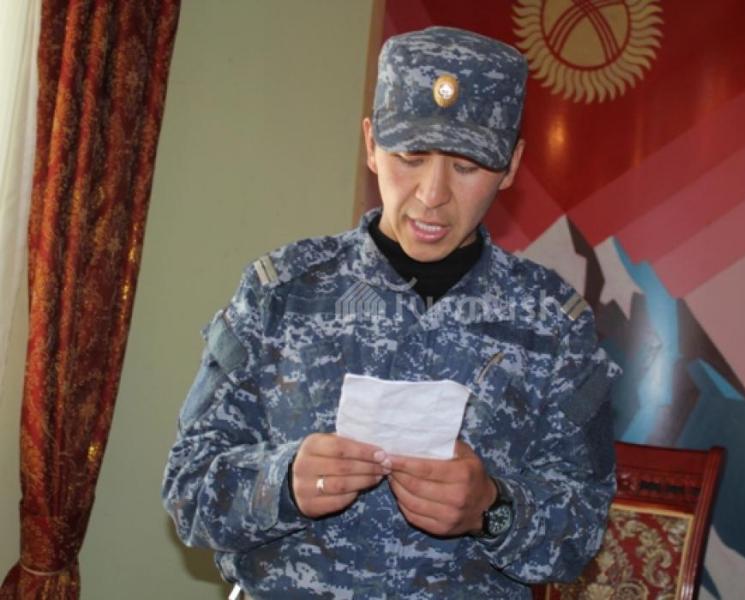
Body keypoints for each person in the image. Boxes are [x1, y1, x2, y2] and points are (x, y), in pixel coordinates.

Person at [162, 26, 619, 599]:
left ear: (511, 165)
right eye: (411, 157)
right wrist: (284, 483)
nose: (432, 194)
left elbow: (582, 532)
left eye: (466, 166)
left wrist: (492, 509)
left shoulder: (551, 323)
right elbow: (187, 489)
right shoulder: (280, 294)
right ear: (371, 144)